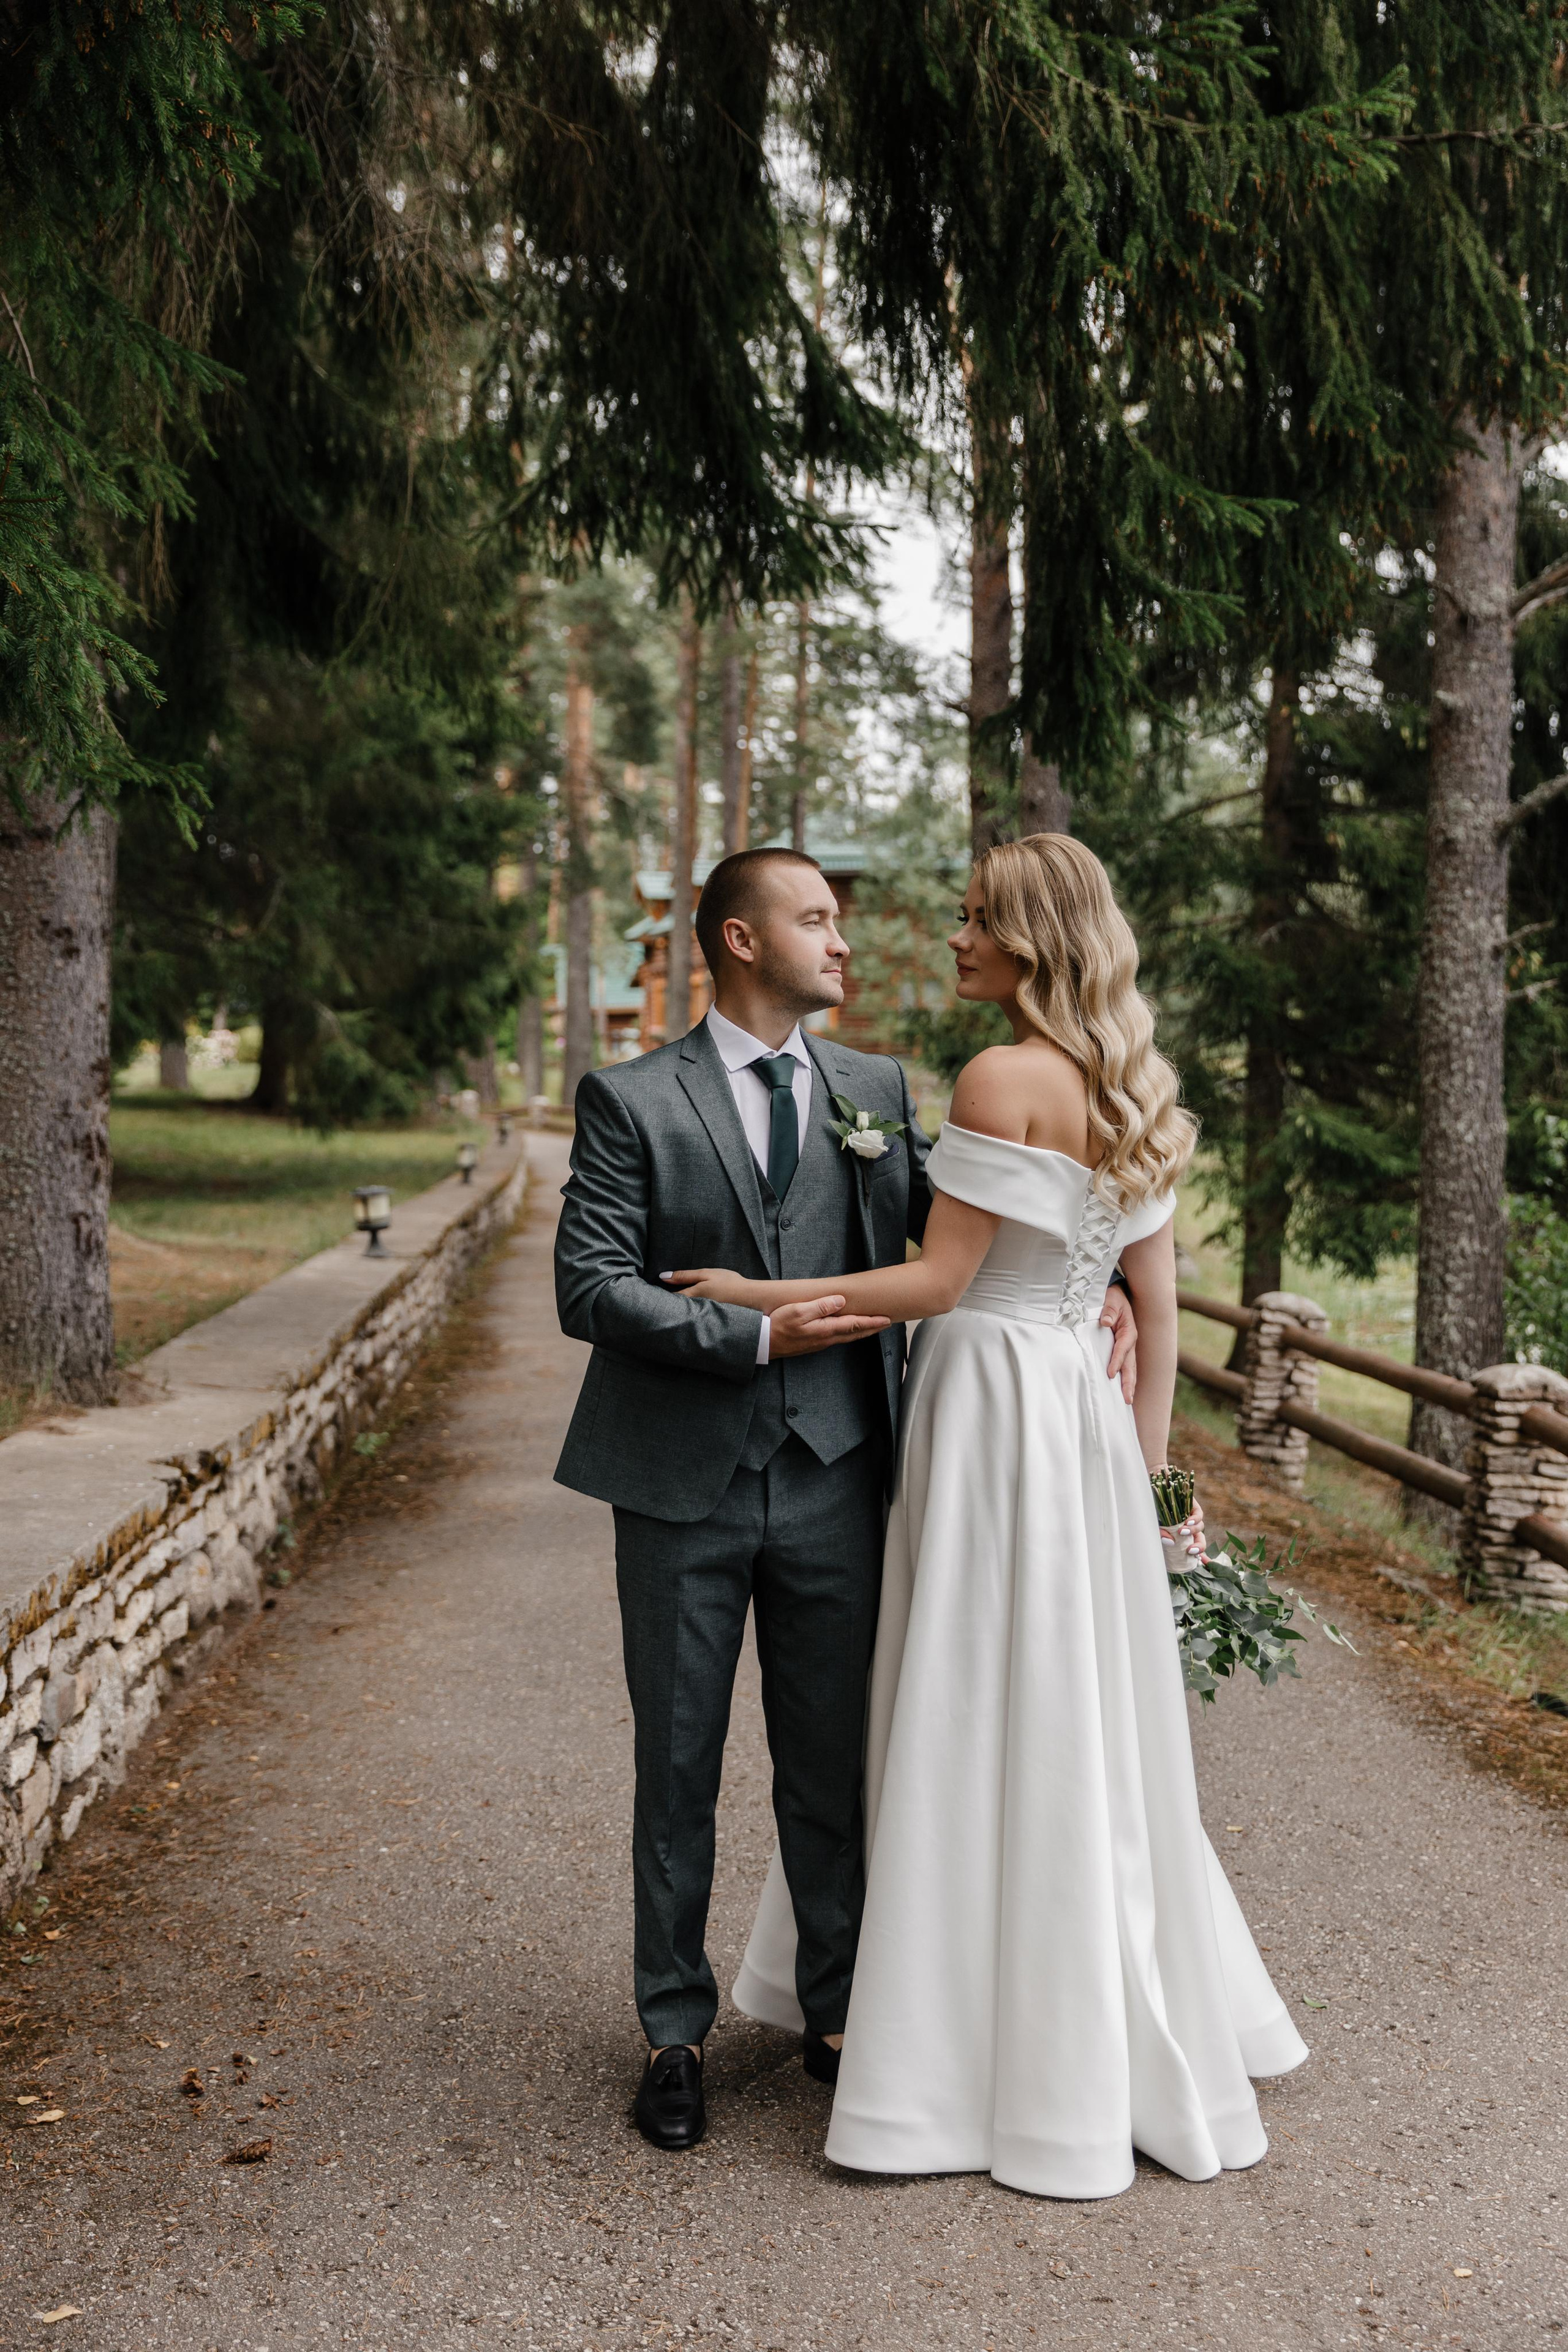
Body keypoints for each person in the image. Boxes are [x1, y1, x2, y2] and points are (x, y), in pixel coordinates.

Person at [668, 834, 1308, 2199]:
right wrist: (1149, 1495)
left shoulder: (998, 1076)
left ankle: (943, 2027)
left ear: (1030, 938)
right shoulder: (1132, 1087)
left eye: (974, 920)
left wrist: (749, 1295)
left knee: (961, 1689)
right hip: (1080, 1426)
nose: (954, 938)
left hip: (987, 1408)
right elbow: (1155, 1314)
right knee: (1079, 1706)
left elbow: (938, 1283)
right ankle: (1077, 2009)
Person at [552, 845, 1139, 2153]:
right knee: (677, 1766)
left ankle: (838, 2016)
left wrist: (1093, 1279)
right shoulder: (629, 1098)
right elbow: (589, 1288)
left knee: (832, 1766)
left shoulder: (876, 1091)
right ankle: (673, 2032)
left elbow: (970, 1229)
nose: (845, 942)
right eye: (817, 919)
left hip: (840, 1473)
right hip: (678, 1485)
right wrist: (751, 1335)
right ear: (742, 939)